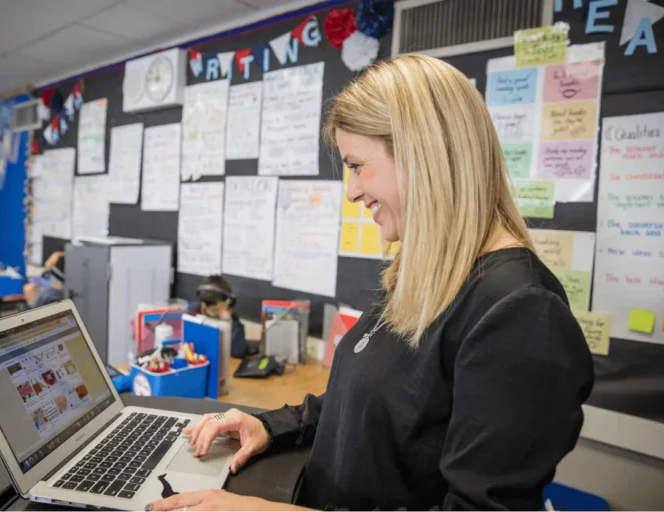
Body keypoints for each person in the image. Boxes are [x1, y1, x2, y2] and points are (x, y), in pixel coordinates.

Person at [147, 55, 594, 512]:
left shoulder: (521, 310)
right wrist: (271, 426)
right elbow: (363, 402)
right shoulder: (430, 271)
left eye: (358, 165)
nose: (352, 191)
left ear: (423, 154)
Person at [196, 275, 253, 358]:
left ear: (228, 303)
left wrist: (227, 320)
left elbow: (237, 351)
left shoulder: (233, 322)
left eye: (216, 310)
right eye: (208, 310)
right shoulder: (197, 315)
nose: (211, 314)